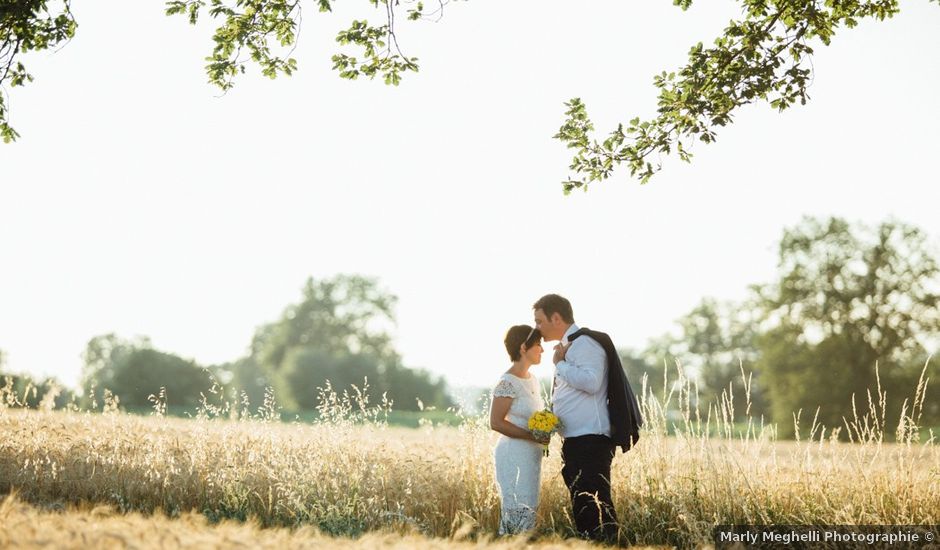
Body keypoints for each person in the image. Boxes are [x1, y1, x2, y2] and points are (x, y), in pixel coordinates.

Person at [533, 293, 642, 543]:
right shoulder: (567, 347)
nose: (537, 327)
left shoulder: (586, 344)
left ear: (556, 317)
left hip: (591, 440)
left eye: (540, 321)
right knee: (584, 507)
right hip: (576, 440)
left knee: (596, 507)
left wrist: (560, 364)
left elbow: (591, 383)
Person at [489, 324, 547, 535]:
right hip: (513, 454)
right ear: (524, 347)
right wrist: (532, 435)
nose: (542, 349)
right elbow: (496, 422)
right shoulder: (507, 381)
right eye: (538, 344)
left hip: (531, 456)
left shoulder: (533, 380)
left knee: (530, 511)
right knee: (516, 512)